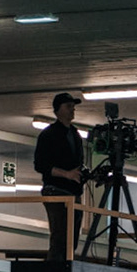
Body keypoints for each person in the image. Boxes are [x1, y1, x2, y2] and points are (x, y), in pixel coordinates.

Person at [35, 92, 86, 261]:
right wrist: (67, 174)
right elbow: (40, 165)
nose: (72, 110)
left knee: (71, 238)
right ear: (57, 110)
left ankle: (65, 268)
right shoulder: (49, 135)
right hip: (56, 190)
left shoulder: (75, 134)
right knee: (60, 237)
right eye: (68, 106)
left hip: (73, 192)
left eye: (73, 107)